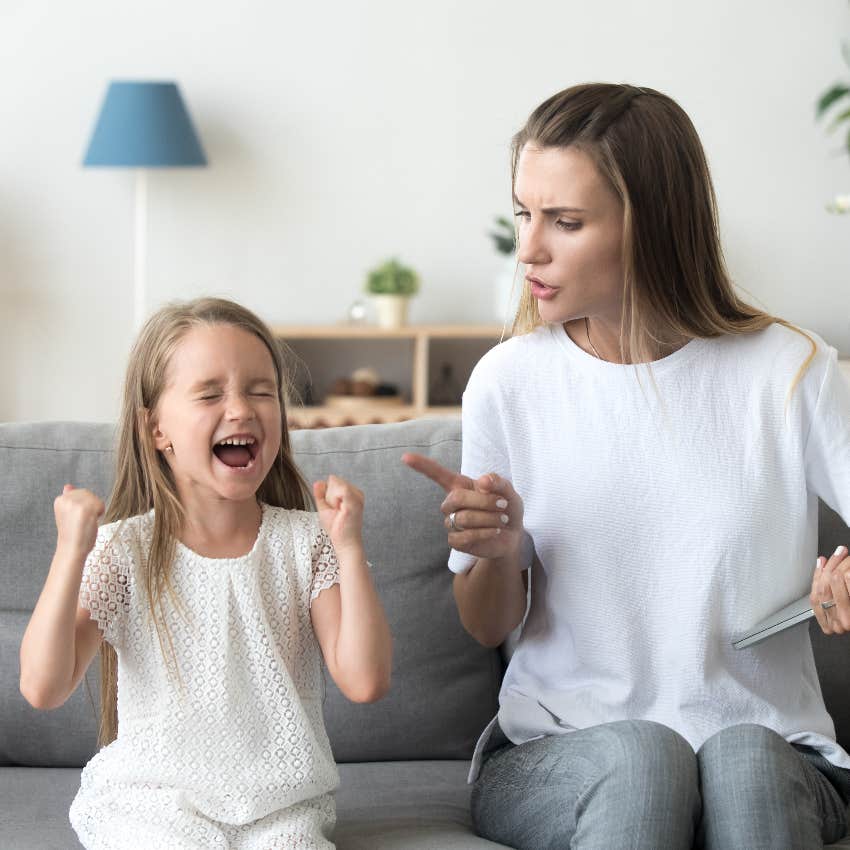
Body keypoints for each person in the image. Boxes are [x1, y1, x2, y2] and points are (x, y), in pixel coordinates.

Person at [403, 83, 850, 849]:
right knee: (645, 757)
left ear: (654, 226)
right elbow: (486, 627)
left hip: (776, 749)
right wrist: (497, 553)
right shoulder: (510, 383)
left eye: (565, 222)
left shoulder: (792, 370)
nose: (530, 248)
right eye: (524, 214)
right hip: (558, 751)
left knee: (741, 756)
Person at [19, 297, 392, 849]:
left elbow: (365, 681)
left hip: (280, 808)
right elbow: (43, 687)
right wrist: (72, 551)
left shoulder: (306, 541)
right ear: (156, 430)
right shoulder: (124, 551)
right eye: (210, 393)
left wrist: (350, 548)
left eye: (260, 390)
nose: (241, 409)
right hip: (152, 803)